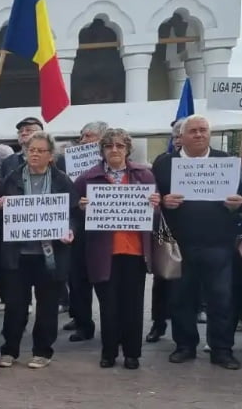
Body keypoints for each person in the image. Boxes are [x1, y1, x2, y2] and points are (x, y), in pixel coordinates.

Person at [152, 115, 242, 370]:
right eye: (193, 131)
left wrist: (238, 204)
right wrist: (163, 202)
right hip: (180, 245)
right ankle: (184, 346)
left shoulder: (227, 162)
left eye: (204, 130)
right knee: (181, 298)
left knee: (221, 299)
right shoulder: (165, 163)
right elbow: (151, 197)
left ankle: (222, 349)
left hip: (219, 244)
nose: (199, 135)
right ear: (181, 136)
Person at [75, 128, 159, 370]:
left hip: (134, 252)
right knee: (108, 306)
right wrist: (80, 208)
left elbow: (156, 217)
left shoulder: (144, 176)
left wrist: (156, 205)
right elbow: (73, 215)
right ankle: (109, 352)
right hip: (103, 253)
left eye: (120, 146)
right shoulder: (86, 179)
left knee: (132, 306)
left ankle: (132, 353)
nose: (114, 150)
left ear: (127, 149)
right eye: (109, 146)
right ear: (102, 150)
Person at [0, 131, 76, 369]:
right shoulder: (12, 177)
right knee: (15, 306)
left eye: (40, 151)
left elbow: (73, 213)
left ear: (51, 156)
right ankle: (10, 350)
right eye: (31, 150)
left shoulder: (62, 180)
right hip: (18, 254)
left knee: (47, 307)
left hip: (50, 255)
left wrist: (70, 230)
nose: (35, 154)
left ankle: (42, 351)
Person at [60, 121, 108, 343]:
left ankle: (111, 322)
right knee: (77, 280)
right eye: (82, 136)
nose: (84, 140)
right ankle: (82, 321)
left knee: (104, 280)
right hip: (78, 227)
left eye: (89, 136)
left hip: (104, 230)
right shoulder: (67, 161)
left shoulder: (114, 163)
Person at [146, 119, 184, 343]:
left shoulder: (216, 162)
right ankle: (158, 324)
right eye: (175, 135)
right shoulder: (162, 161)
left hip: (201, 233)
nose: (178, 139)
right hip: (166, 229)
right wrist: (161, 200)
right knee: (163, 278)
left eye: (182, 134)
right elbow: (151, 192)